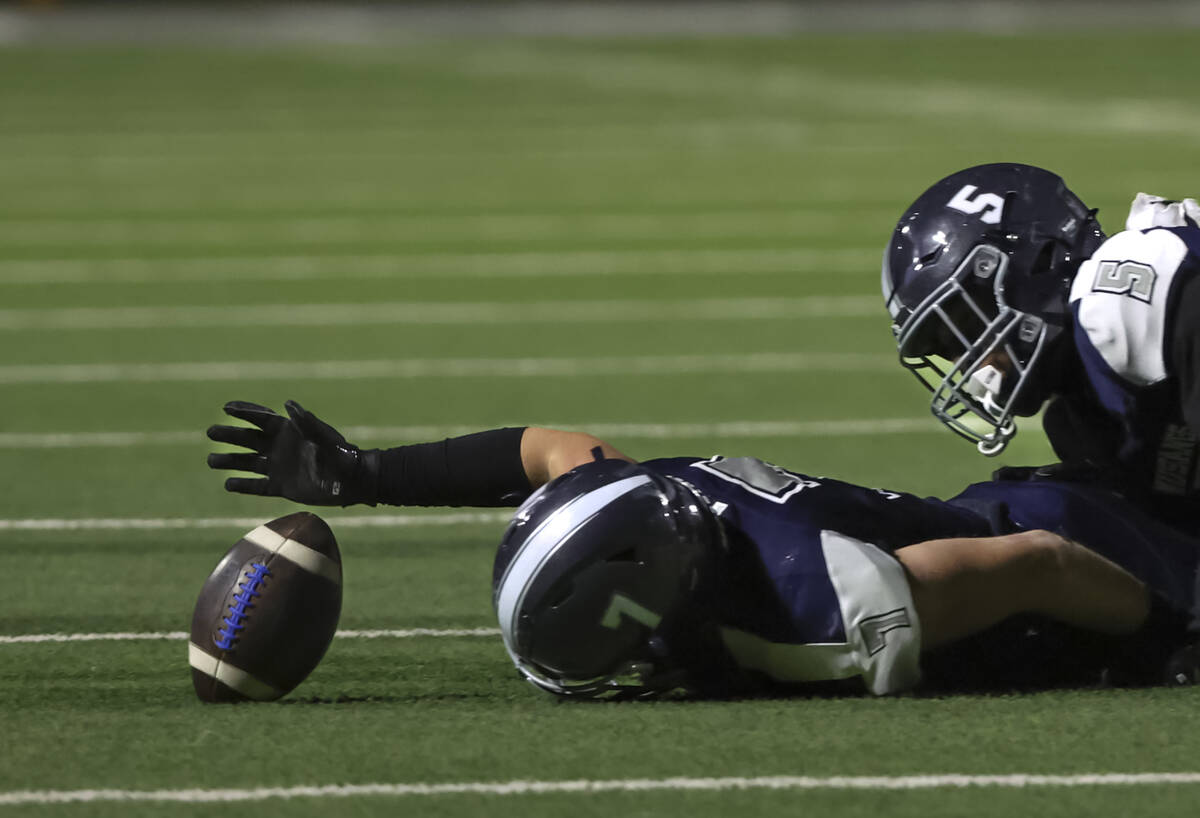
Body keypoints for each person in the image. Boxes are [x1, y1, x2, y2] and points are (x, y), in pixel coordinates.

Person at [206, 400, 1200, 698]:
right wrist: (369, 474)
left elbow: (1038, 563)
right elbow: (545, 448)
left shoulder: (824, 607)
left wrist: (1164, 638)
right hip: (988, 513)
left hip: (1077, 552)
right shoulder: (642, 503)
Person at [881, 163, 1200, 532]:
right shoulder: (1084, 419)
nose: (966, 365)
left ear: (1040, 263)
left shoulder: (1131, 299)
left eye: (965, 328)